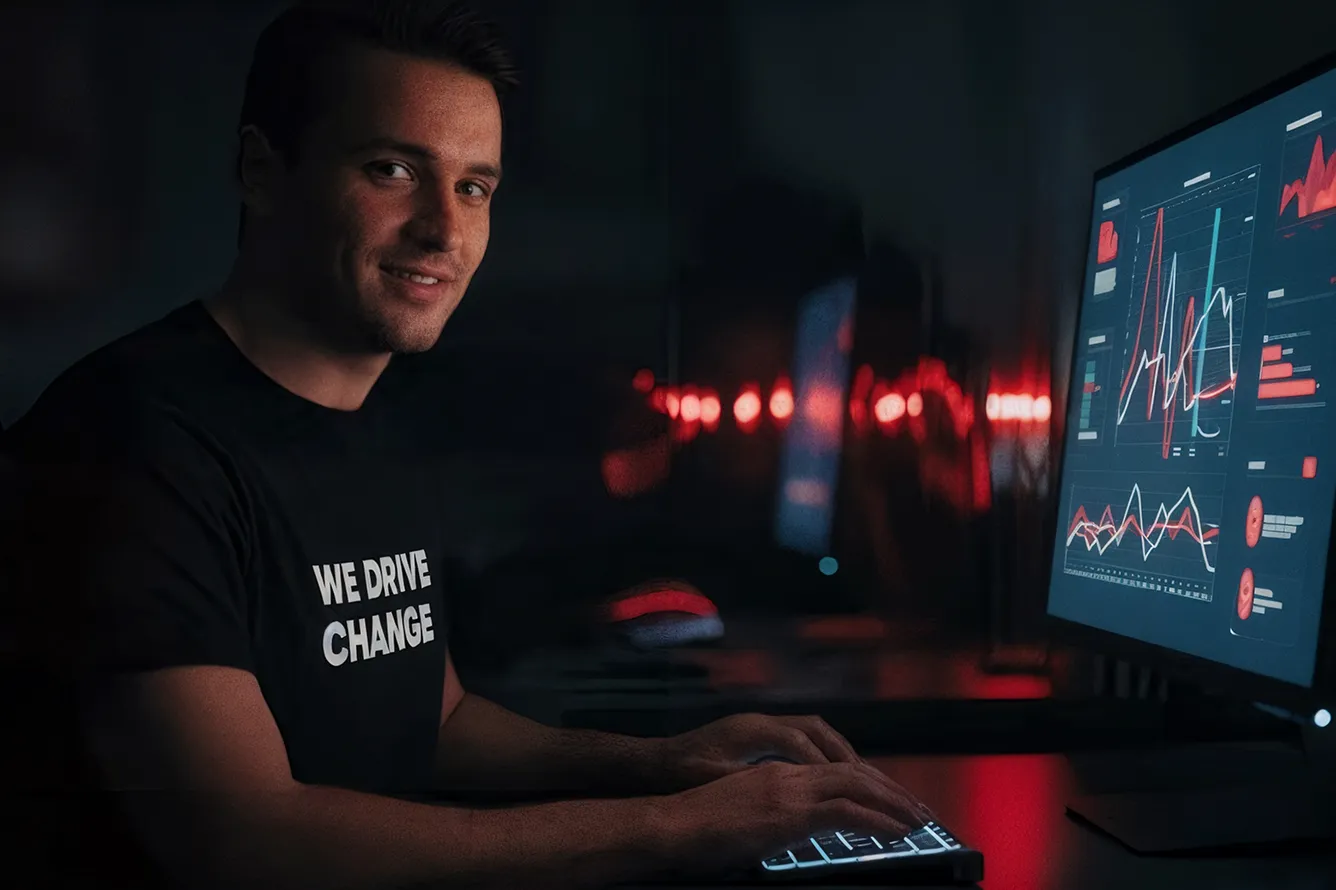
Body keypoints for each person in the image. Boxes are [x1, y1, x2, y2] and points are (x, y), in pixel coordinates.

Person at [0, 1, 932, 887]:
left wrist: (662, 764)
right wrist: (679, 826)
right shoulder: (134, 441)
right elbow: (246, 843)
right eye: (392, 171)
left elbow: (434, 718)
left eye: (474, 186)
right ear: (262, 170)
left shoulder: (370, 415)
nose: (444, 228)